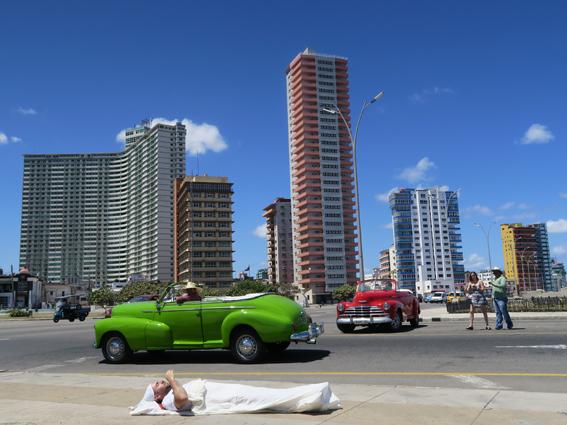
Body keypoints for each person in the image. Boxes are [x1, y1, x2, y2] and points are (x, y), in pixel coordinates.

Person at [136, 369, 340, 415]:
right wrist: (172, 378)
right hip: (225, 397)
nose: (159, 381)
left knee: (268, 395)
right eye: (156, 384)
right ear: (157, 396)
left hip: (223, 391)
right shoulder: (170, 400)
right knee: (269, 398)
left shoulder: (169, 394)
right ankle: (315, 395)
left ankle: (314, 396)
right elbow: (183, 398)